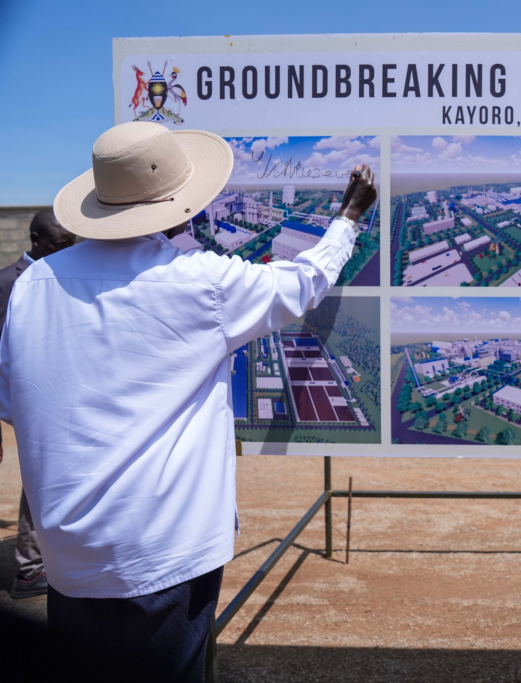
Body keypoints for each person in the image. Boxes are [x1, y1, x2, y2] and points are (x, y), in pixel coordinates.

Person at [0, 121, 376, 681]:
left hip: (69, 554)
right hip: (166, 548)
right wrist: (348, 218)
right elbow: (302, 283)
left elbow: (15, 399)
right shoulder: (201, 280)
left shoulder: (34, 284)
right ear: (179, 207)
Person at [0, 208, 76, 599]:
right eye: (61, 244)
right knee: (39, 477)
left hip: (60, 399)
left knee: (52, 477)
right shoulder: (7, 283)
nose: (68, 251)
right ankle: (30, 570)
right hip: (25, 402)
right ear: (36, 241)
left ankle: (44, 561)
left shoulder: (65, 277)